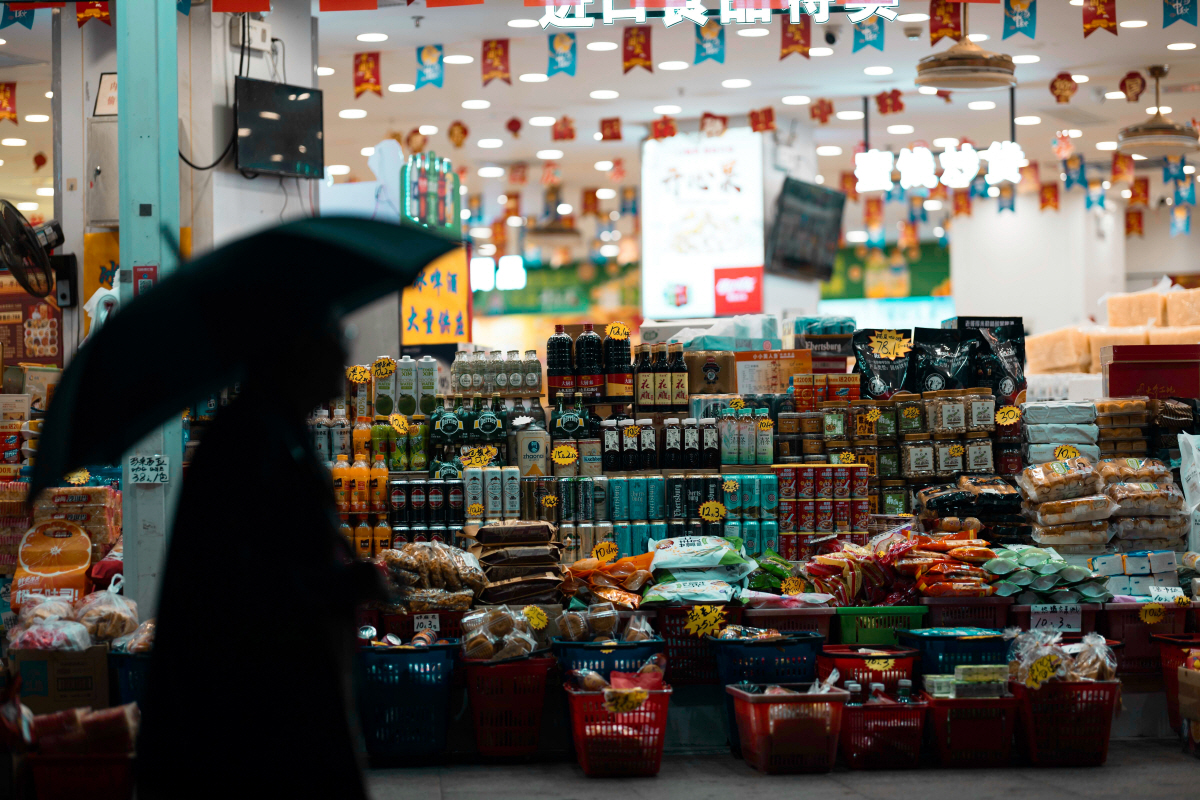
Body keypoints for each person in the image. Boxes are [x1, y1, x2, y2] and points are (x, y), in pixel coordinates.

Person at [136, 316, 384, 799]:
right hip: (248, 706)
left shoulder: (273, 430)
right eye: (333, 340)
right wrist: (345, 584)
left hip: (264, 697)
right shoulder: (252, 441)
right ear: (298, 356)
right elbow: (254, 581)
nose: (345, 355)